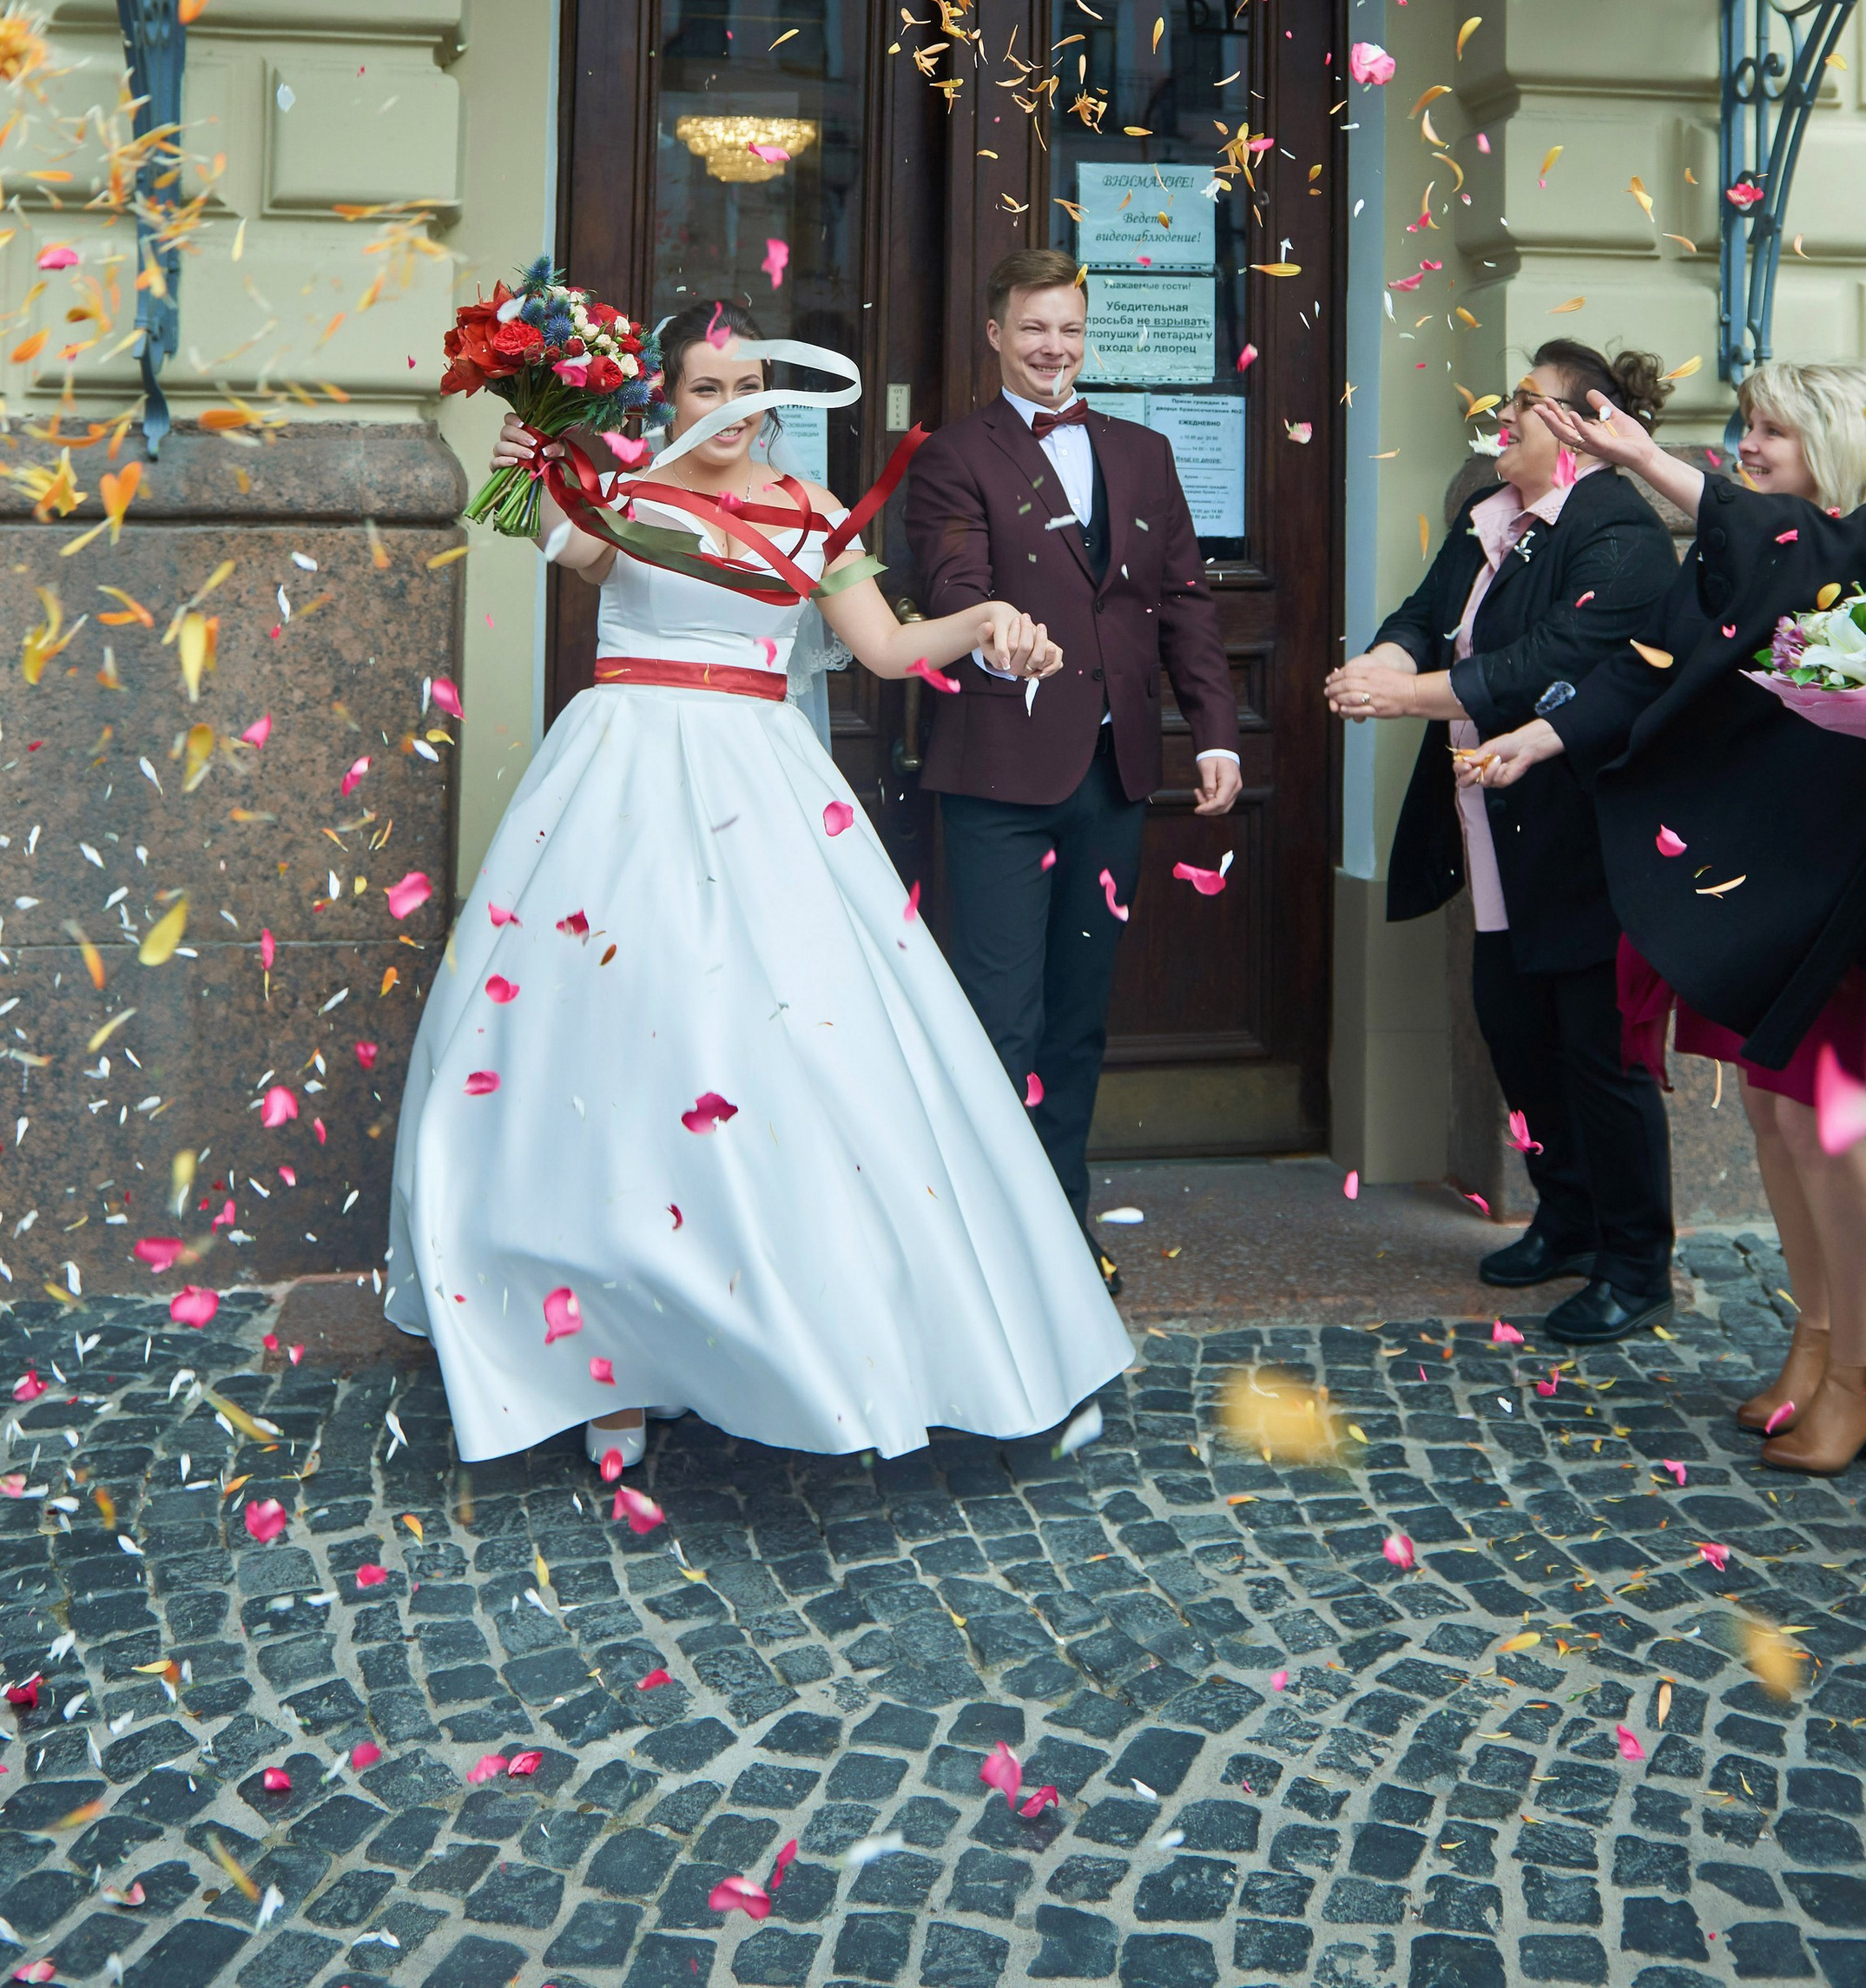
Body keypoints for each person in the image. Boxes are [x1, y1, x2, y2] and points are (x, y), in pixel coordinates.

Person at [386, 296, 1131, 1471]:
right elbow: (520, 521)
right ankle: (605, 1359)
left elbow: (885, 647)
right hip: (620, 785)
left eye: (748, 391)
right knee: (612, 1054)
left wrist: (985, 618)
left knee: (780, 1053)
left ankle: (777, 1329)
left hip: (764, 790)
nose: (730, 410)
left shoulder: (819, 512)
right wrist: (523, 436)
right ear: (664, 396)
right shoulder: (623, 495)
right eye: (706, 388)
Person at [1504, 362, 1866, 1474]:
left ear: (1833, 444)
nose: (1747, 446)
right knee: (1769, 1119)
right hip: (1747, 893)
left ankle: (1863, 1373)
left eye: (1773, 431)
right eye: (1745, 425)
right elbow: (1648, 675)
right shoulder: (1733, 554)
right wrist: (1541, 739)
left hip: (1836, 895)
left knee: (1822, 1128)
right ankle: (1815, 1335)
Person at [1324, 340, 1682, 1344]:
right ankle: (1564, 1216)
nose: (1504, 413)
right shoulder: (1491, 516)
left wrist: (1403, 697)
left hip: (1582, 840)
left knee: (1598, 1056)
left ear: (1578, 425)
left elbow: (1545, 663)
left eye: (1526, 400)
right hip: (1493, 834)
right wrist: (1383, 660)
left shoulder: (1620, 531)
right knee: (1518, 1033)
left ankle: (1635, 1261)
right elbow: (1425, 614)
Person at [904, 248, 1242, 1296]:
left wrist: (1216, 732)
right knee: (1000, 1015)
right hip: (1000, 769)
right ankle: (990, 1247)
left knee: (1078, 1019)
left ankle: (1059, 1228)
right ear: (996, 334)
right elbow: (955, 584)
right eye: (1034, 328)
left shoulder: (1142, 451)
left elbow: (1183, 603)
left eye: (1070, 330)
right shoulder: (952, 456)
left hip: (1117, 770)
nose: (1053, 348)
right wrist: (998, 639)